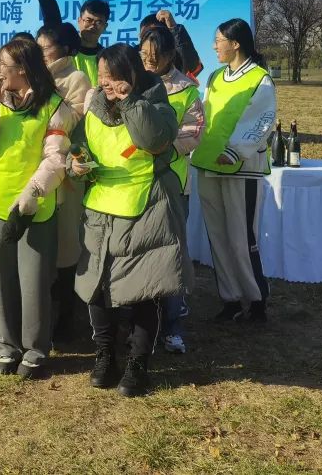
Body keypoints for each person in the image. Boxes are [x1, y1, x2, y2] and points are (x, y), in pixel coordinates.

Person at [70, 43, 190, 397]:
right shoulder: (94, 106)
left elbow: (153, 139)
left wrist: (130, 101)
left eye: (113, 76)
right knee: (96, 288)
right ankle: (105, 355)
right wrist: (76, 164)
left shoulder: (156, 102)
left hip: (146, 207)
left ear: (131, 74)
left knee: (143, 291)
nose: (105, 83)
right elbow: (80, 146)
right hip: (101, 209)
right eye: (101, 76)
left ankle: (138, 363)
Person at [0, 37, 73, 379]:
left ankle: (35, 349)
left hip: (34, 203)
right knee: (1, 278)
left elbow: (56, 158)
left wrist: (33, 192)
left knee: (33, 279)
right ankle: (6, 345)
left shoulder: (54, 106)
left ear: (24, 69)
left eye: (4, 66)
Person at [190, 18, 277, 323]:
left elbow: (262, 120)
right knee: (217, 236)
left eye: (218, 41)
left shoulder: (259, 79)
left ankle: (256, 299)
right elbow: (206, 115)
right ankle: (230, 298)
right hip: (207, 163)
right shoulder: (215, 77)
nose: (214, 46)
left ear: (235, 43)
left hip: (240, 168)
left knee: (241, 238)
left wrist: (235, 151)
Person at [138, 25, 204, 354]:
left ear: (169, 56)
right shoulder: (132, 83)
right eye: (144, 55)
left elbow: (193, 133)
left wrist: (161, 150)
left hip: (172, 183)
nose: (149, 62)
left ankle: (172, 324)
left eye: (155, 57)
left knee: (172, 253)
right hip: (136, 183)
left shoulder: (186, 90)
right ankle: (141, 327)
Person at [35, 24, 91, 343]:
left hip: (67, 172)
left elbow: (71, 122)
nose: (42, 53)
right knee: (42, 245)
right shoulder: (34, 76)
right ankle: (43, 313)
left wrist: (45, 94)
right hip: (37, 170)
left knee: (67, 245)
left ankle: (66, 316)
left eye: (46, 48)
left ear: (65, 49)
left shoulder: (76, 79)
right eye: (39, 47)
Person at [33, 0, 109, 86]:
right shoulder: (66, 49)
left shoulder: (107, 58)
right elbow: (52, 18)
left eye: (98, 22)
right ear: (79, 21)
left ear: (105, 26)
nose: (92, 26)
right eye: (89, 20)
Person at [139, 11, 203, 80]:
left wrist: (174, 28)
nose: (151, 38)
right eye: (145, 35)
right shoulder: (135, 58)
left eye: (157, 35)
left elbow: (191, 67)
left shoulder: (174, 63)